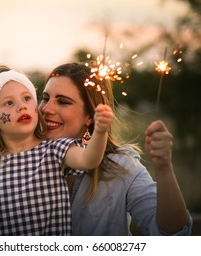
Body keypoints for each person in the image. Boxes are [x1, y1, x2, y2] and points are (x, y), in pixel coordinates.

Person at [0, 65, 114, 235]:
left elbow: (89, 159)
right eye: (9, 103)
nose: (21, 106)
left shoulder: (55, 150)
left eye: (27, 98)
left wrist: (100, 131)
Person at [39, 62, 192, 235]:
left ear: (91, 115)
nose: (46, 108)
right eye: (45, 98)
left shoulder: (121, 166)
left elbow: (171, 235)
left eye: (63, 102)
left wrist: (164, 168)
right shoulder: (21, 160)